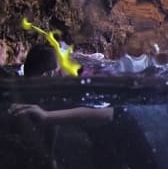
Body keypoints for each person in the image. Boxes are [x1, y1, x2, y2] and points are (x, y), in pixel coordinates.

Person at [10, 43, 158, 169]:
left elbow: (107, 113)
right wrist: (51, 156)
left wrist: (47, 117)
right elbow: (52, 117)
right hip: (99, 140)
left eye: (37, 84)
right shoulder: (50, 90)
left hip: (122, 128)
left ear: (49, 74)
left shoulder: (78, 77)